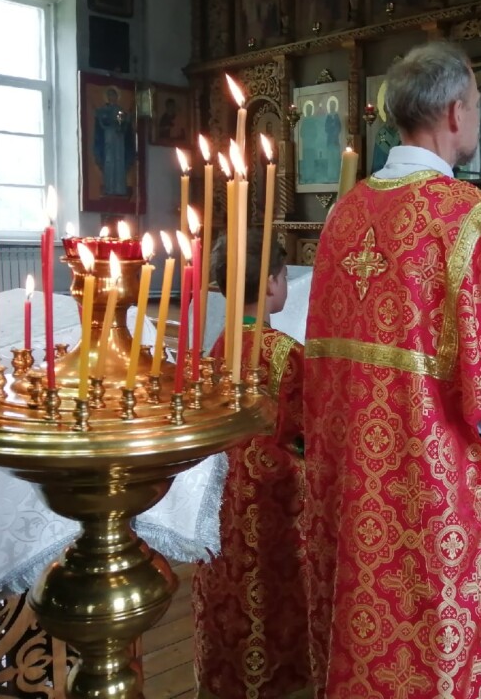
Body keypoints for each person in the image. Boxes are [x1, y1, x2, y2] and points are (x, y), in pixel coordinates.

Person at [302, 41, 481, 697]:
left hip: (348, 476)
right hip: (438, 483)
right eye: (478, 105)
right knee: (437, 628)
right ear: (456, 112)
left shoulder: (343, 216)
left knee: (368, 619)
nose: (476, 117)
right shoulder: (468, 222)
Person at [192, 230, 311, 698]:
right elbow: (309, 429)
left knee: (230, 592)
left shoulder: (221, 346)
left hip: (221, 494)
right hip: (276, 498)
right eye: (283, 277)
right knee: (275, 597)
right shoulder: (285, 352)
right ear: (270, 283)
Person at [93, 87, 136, 197]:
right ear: (108, 97)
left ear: (117, 97)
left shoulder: (120, 110)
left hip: (119, 138)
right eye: (110, 95)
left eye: (114, 95)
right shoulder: (104, 110)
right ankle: (109, 188)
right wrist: (99, 116)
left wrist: (126, 120)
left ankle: (120, 188)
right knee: (109, 161)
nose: (113, 97)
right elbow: (102, 123)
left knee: (119, 160)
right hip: (108, 136)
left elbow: (123, 124)